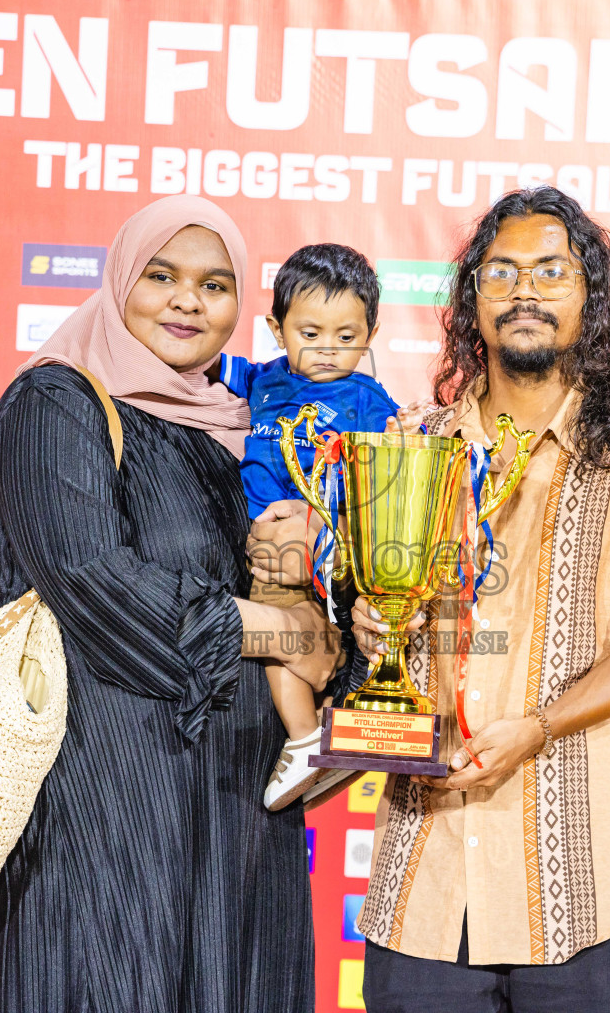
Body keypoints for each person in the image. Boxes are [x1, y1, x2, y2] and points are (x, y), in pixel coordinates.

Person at [342, 186, 610, 1011]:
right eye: (501, 272)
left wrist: (539, 726)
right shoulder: (409, 448)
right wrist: (370, 623)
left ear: (588, 297)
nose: (524, 290)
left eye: (550, 272)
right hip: (427, 884)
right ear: (470, 301)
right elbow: (364, 630)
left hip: (594, 894)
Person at [0, 196, 336, 1013]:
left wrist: (336, 635)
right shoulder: (56, 405)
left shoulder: (247, 434)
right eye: (160, 277)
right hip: (101, 810)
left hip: (240, 817)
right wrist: (284, 631)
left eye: (214, 285)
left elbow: (305, 611)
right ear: (119, 283)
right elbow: (99, 588)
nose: (187, 301)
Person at [215, 243, 401, 810]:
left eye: (347, 337)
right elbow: (193, 363)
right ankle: (317, 739)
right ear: (277, 329)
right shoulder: (262, 381)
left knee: (285, 643)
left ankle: (304, 740)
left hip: (321, 553)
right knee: (285, 643)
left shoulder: (370, 400)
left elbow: (386, 474)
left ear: (371, 331)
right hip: (261, 547)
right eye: (310, 333)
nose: (327, 350)